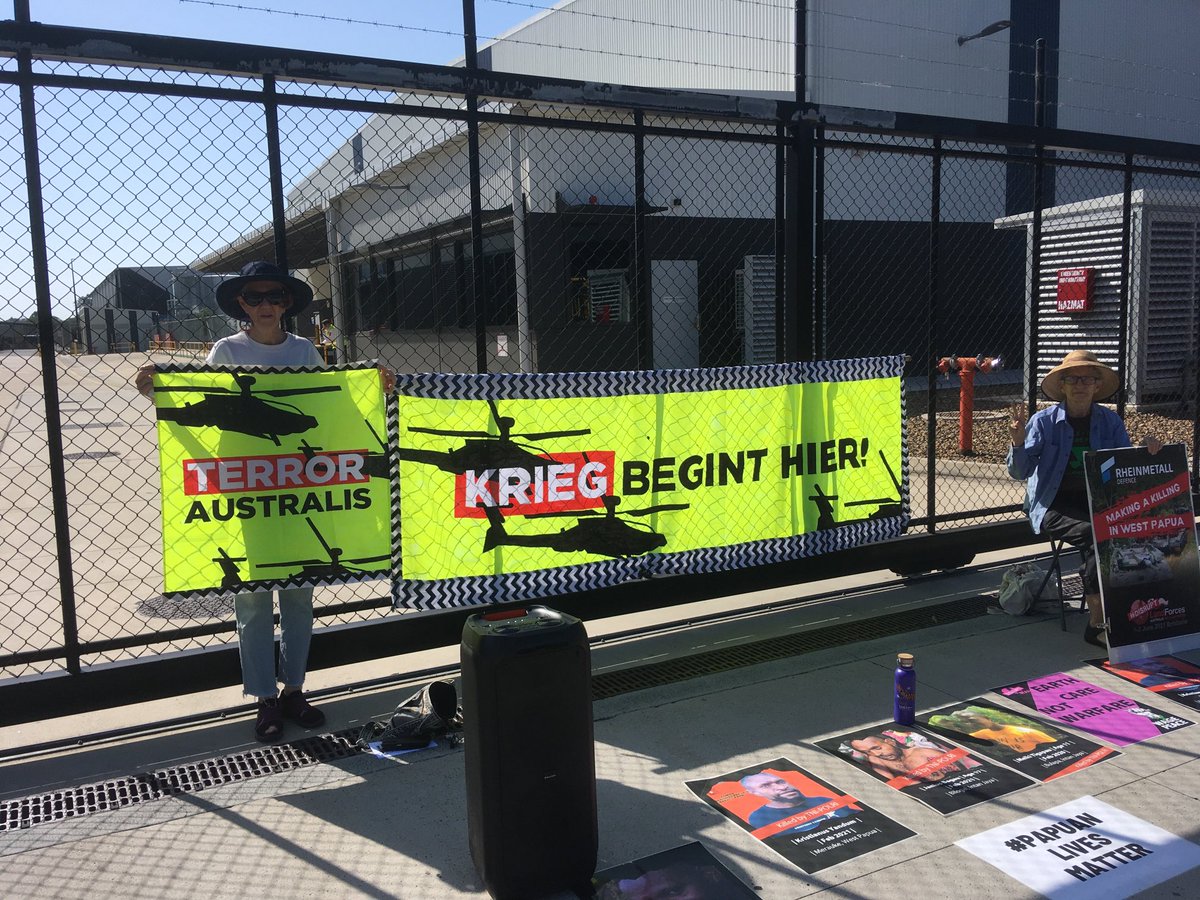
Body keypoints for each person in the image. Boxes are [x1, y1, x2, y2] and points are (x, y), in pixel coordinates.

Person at [136, 260, 395, 742]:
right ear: (241, 303)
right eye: (255, 298)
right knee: (253, 599)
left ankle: (294, 687)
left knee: (300, 591)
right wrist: (160, 386)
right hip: (253, 487)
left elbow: (331, 405)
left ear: (287, 303)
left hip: (299, 485)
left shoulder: (304, 351)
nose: (266, 306)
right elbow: (207, 402)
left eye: (275, 297)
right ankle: (264, 696)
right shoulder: (225, 350)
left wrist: (372, 388)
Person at [1008, 349, 1161, 648]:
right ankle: (1097, 625)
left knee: (1140, 527)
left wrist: (1147, 448)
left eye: (1087, 379)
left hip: (1096, 502)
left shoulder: (1110, 422)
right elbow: (1020, 472)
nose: (1080, 385)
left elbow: (1124, 463)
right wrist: (1018, 441)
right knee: (1096, 533)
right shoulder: (1044, 421)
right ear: (1062, 385)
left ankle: (1142, 611)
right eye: (1073, 379)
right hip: (1052, 504)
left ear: (1096, 386)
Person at [738, 771, 850, 834]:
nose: (782, 787)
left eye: (780, 781)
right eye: (766, 786)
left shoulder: (823, 800)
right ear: (754, 792)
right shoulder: (759, 818)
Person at [848, 733, 972, 781]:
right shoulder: (878, 760)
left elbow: (960, 773)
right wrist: (872, 758)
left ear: (890, 742)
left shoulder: (922, 752)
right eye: (868, 752)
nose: (876, 754)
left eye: (876, 748)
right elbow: (889, 785)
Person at [947, 709, 1055, 753]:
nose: (971, 723)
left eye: (972, 719)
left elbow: (1054, 744)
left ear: (986, 718)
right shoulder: (985, 733)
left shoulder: (1026, 732)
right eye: (966, 722)